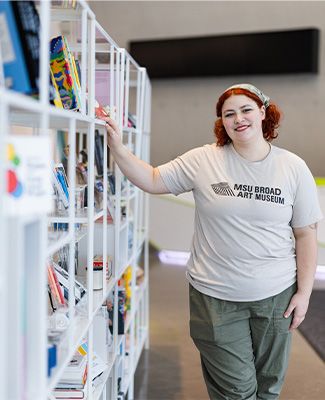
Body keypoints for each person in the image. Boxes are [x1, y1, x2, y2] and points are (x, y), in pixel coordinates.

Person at [103, 83, 323, 400]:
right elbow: (152, 180)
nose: (238, 118)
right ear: (222, 121)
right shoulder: (204, 159)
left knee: (269, 387)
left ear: (263, 112)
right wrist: (119, 150)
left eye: (246, 110)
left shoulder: (293, 167)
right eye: (228, 113)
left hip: (276, 296)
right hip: (215, 296)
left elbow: (305, 233)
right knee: (236, 391)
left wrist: (304, 293)